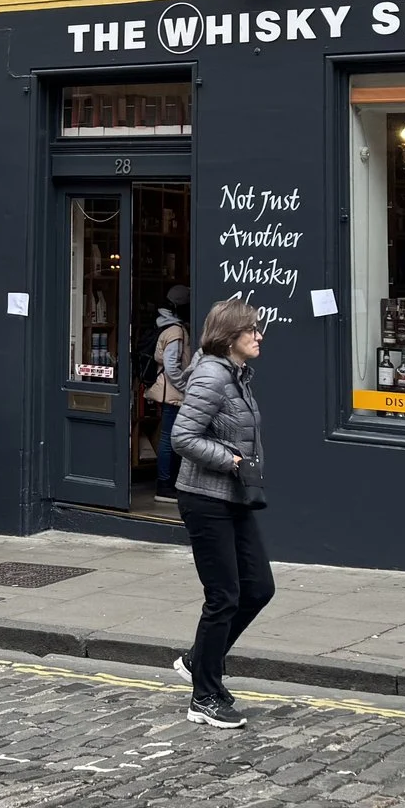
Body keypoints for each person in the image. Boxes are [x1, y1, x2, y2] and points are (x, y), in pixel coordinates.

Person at [171, 300, 276, 730]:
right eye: (251, 330)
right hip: (205, 498)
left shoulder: (236, 375)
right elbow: (182, 436)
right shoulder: (212, 376)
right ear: (229, 336)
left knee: (259, 588)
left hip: (232, 498)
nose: (258, 336)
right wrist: (231, 461)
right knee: (224, 596)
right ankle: (204, 696)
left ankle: (199, 659)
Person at [147, 286, 192, 496]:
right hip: (174, 394)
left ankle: (167, 482)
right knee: (169, 438)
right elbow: (172, 366)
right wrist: (186, 389)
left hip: (170, 391)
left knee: (170, 437)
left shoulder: (168, 326)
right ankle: (165, 484)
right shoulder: (176, 330)